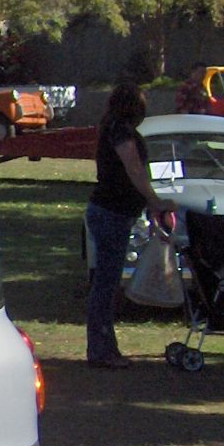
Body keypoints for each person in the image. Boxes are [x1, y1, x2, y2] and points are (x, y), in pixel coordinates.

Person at [83, 83, 175, 370]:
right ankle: (101, 349)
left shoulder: (112, 128)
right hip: (112, 211)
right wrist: (154, 200)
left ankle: (103, 347)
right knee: (106, 283)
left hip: (111, 210)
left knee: (106, 282)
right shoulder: (121, 132)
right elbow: (134, 169)